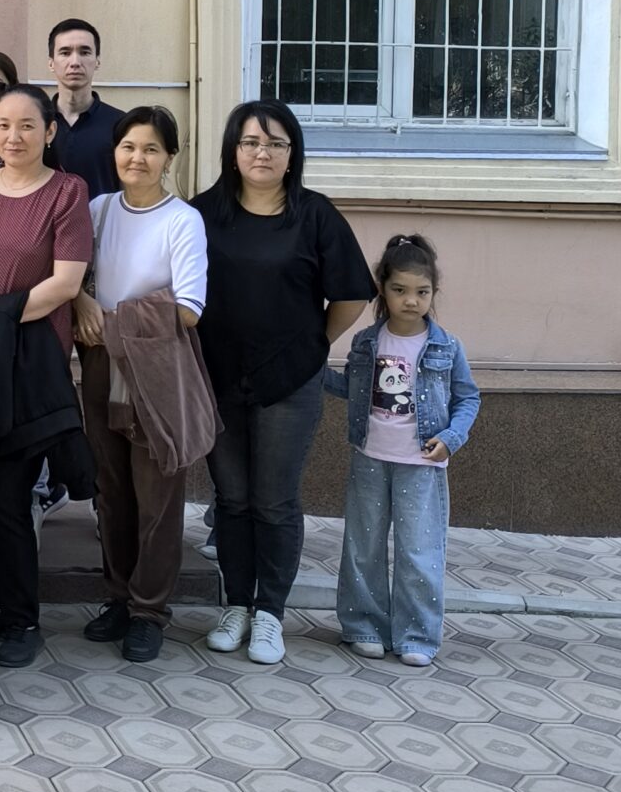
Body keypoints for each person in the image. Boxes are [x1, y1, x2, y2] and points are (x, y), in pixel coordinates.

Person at [195, 99, 373, 667]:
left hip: (289, 380)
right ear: (232, 150)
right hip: (216, 376)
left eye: (276, 143)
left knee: (273, 500)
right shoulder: (202, 213)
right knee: (232, 498)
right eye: (250, 142)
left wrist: (314, 343)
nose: (262, 153)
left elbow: (351, 293)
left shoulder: (314, 215)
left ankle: (270, 612)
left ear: (292, 154)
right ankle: (237, 606)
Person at [0, 82, 93, 668]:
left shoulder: (67, 192)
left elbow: (65, 283)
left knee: (7, 494)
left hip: (30, 359)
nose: (13, 135)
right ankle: (3, 607)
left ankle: (23, 618)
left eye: (27, 125)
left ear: (49, 132)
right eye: (3, 125)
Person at [72, 106, 212, 665]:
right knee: (111, 490)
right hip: (100, 366)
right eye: (129, 147)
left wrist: (109, 319)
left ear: (169, 158)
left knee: (157, 496)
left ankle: (150, 611)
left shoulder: (183, 220)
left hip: (155, 372)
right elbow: (75, 274)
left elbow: (189, 309)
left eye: (151, 149)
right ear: (115, 153)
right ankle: (118, 597)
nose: (138, 158)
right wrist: (80, 299)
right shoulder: (99, 209)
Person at [325, 233, 480, 668]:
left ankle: (417, 635)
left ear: (433, 292)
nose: (411, 301)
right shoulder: (365, 342)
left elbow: (468, 398)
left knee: (419, 550)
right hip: (371, 458)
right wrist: (308, 366)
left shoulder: (447, 346)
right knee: (363, 545)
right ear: (382, 289)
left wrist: (451, 438)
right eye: (400, 290)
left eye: (422, 292)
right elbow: (351, 388)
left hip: (421, 465)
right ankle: (364, 626)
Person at [46, 18, 124, 202]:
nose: (75, 62)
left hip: (103, 220)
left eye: (85, 52)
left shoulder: (121, 124)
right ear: (51, 63)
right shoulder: (37, 122)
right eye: (65, 52)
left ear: (97, 61)